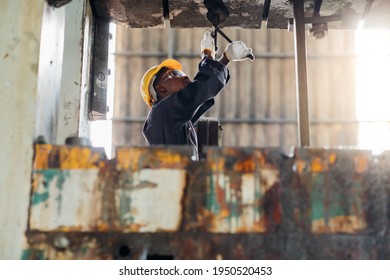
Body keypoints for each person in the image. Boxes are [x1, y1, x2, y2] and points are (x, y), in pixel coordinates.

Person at [140, 30, 254, 160]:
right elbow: (199, 91)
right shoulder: (162, 113)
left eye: (180, 72)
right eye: (174, 74)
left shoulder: (177, 121)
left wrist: (222, 58)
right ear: (161, 88)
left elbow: (200, 93)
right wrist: (210, 56)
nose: (184, 76)